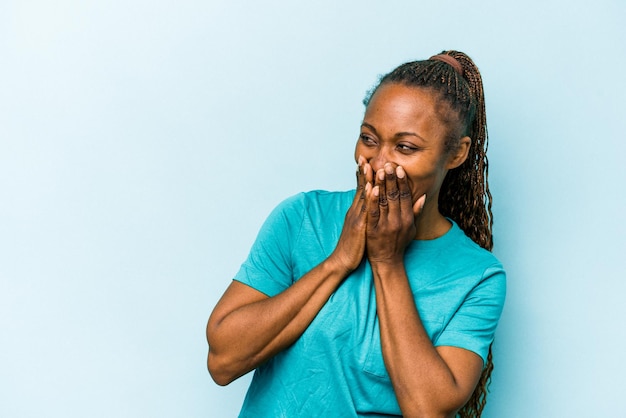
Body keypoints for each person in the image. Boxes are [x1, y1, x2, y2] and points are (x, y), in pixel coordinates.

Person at [206, 50, 506, 418]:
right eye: (369, 139)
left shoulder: (477, 277)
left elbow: (429, 409)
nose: (379, 163)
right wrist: (338, 261)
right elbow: (222, 360)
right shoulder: (302, 218)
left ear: (456, 154)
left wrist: (386, 261)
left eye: (405, 147)